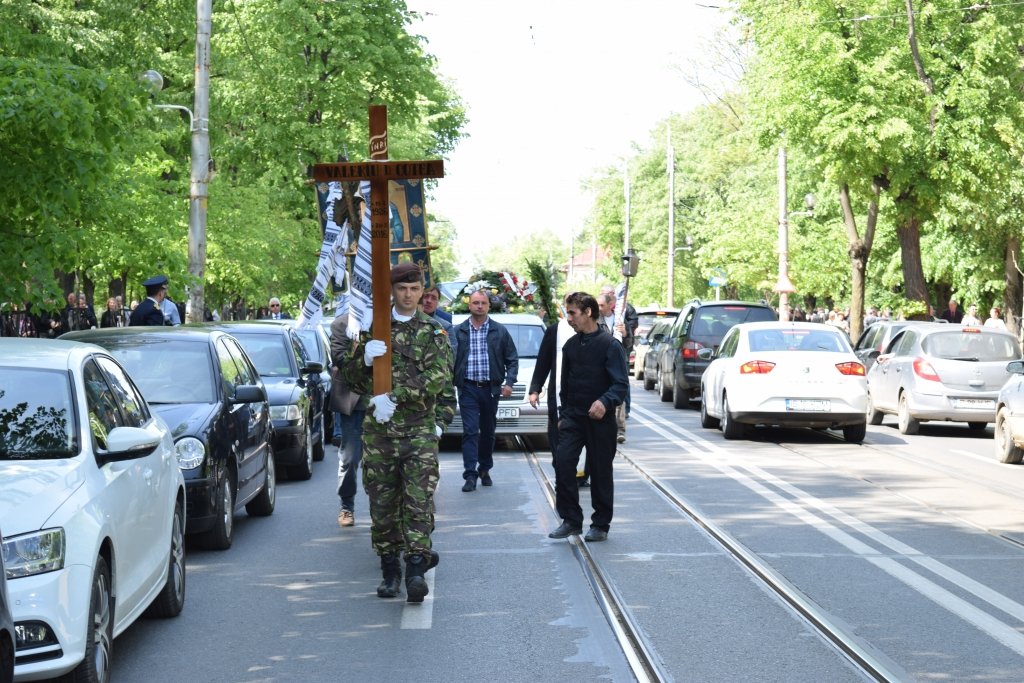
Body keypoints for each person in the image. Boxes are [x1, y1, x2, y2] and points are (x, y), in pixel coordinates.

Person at [339, 262, 454, 603]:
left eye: (414, 289)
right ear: (392, 291)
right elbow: (351, 380)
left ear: (422, 292)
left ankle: (415, 568)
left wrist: (395, 395)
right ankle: (390, 569)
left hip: (417, 432)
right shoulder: (376, 328)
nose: (408, 294)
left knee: (418, 502)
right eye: (402, 289)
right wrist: (363, 361)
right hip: (380, 434)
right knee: (383, 503)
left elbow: (437, 378)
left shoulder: (434, 332)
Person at [548, 292, 628, 543]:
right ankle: (571, 519)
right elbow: (565, 385)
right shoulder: (571, 346)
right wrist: (563, 414)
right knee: (562, 463)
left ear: (588, 312)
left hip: (600, 421)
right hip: (573, 417)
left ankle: (600, 524)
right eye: (567, 312)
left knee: (601, 471)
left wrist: (605, 402)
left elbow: (620, 385)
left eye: (572, 313)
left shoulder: (609, 345)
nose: (568, 318)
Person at [452, 289, 518, 492]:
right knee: (470, 431)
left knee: (488, 432)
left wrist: (509, 383)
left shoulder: (499, 331)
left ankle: (485, 469)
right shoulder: (459, 331)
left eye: (483, 303)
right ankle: (470, 475)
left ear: (489, 306)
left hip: (490, 389)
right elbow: (449, 359)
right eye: (475, 303)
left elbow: (512, 359)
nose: (479, 306)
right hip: (468, 388)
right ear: (469, 305)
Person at [330, 312, 367, 528]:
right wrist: (366, 356)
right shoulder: (341, 324)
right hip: (355, 403)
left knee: (386, 460)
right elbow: (340, 359)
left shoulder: (390, 318)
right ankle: (347, 506)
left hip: (386, 401)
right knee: (350, 458)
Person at [529, 293, 575, 463]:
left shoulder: (596, 330)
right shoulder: (555, 330)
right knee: (558, 430)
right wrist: (535, 388)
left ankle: (582, 472)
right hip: (558, 393)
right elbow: (543, 362)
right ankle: (561, 466)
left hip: (585, 394)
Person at [597, 291, 632, 444]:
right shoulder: (595, 320)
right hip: (600, 362)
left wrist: (625, 333)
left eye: (601, 305)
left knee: (619, 395)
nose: (598, 308)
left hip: (618, 363)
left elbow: (629, 344)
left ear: (611, 305)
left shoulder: (620, 320)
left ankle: (620, 429)